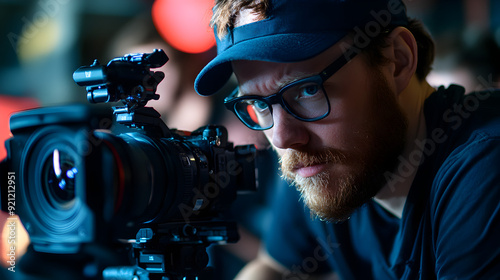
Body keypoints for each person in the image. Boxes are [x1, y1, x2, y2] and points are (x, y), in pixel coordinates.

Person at [194, 0, 500, 279]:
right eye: (260, 104)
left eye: (307, 90)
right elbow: (274, 268)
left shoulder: (485, 165)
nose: (282, 138)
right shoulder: (321, 160)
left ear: (397, 60)